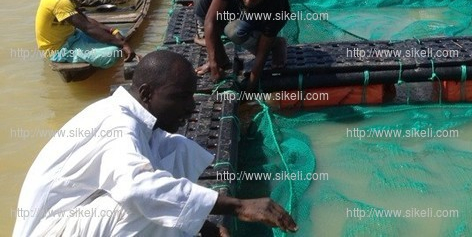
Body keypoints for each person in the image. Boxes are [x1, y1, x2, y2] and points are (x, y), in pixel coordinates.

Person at [13, 50, 297, 236]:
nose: (190, 108)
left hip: (76, 218)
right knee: (135, 206)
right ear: (147, 93)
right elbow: (134, 188)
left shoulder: (136, 120)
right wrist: (237, 206)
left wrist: (202, 225)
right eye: (180, 97)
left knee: (176, 150)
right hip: (49, 229)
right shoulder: (118, 125)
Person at [195, 0, 290, 87]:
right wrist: (213, 62)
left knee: (234, 32)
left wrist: (251, 85)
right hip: (240, 8)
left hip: (263, 16)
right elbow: (210, 19)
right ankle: (221, 59)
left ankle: (277, 44)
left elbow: (262, 53)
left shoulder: (275, 1)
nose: (249, 1)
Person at [35, 0, 135, 67]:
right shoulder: (59, 0)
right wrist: (122, 44)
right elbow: (88, 28)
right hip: (58, 49)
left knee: (119, 35)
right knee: (112, 53)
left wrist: (112, 30)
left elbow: (86, 19)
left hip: (72, 36)